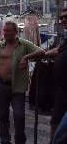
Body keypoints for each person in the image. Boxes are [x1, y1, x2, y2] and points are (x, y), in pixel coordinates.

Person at [0, 21, 45, 144]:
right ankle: (5, 140)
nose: (5, 33)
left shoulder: (24, 44)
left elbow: (41, 52)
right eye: (4, 31)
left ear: (16, 32)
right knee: (2, 115)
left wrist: (26, 57)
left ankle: (20, 140)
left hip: (17, 87)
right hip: (1, 85)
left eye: (8, 31)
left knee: (19, 115)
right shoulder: (0, 45)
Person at [45, 7, 67, 141]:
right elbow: (58, 50)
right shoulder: (66, 39)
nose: (63, 19)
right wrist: (41, 53)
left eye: (66, 17)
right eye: (62, 17)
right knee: (54, 123)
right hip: (62, 91)